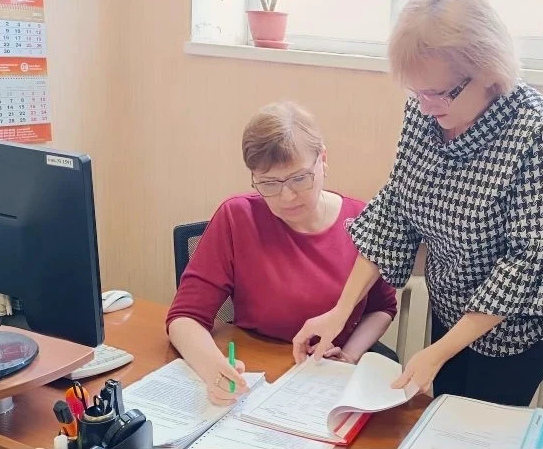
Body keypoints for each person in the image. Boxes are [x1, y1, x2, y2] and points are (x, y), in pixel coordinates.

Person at [292, 0, 543, 407]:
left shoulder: (540, 132)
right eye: (417, 92)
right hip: (451, 303)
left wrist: (440, 352)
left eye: (439, 93)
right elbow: (395, 210)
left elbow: (526, 262)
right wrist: (340, 312)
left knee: (474, 426)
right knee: (439, 412)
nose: (425, 107)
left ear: (487, 70)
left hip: (514, 327)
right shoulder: (424, 111)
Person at [167, 101, 398, 405]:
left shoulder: (363, 221)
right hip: (257, 375)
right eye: (268, 183)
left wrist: (348, 356)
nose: (287, 196)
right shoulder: (237, 217)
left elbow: (382, 308)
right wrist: (215, 372)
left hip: (325, 380)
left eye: (299, 178)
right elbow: (184, 319)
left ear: (323, 160)